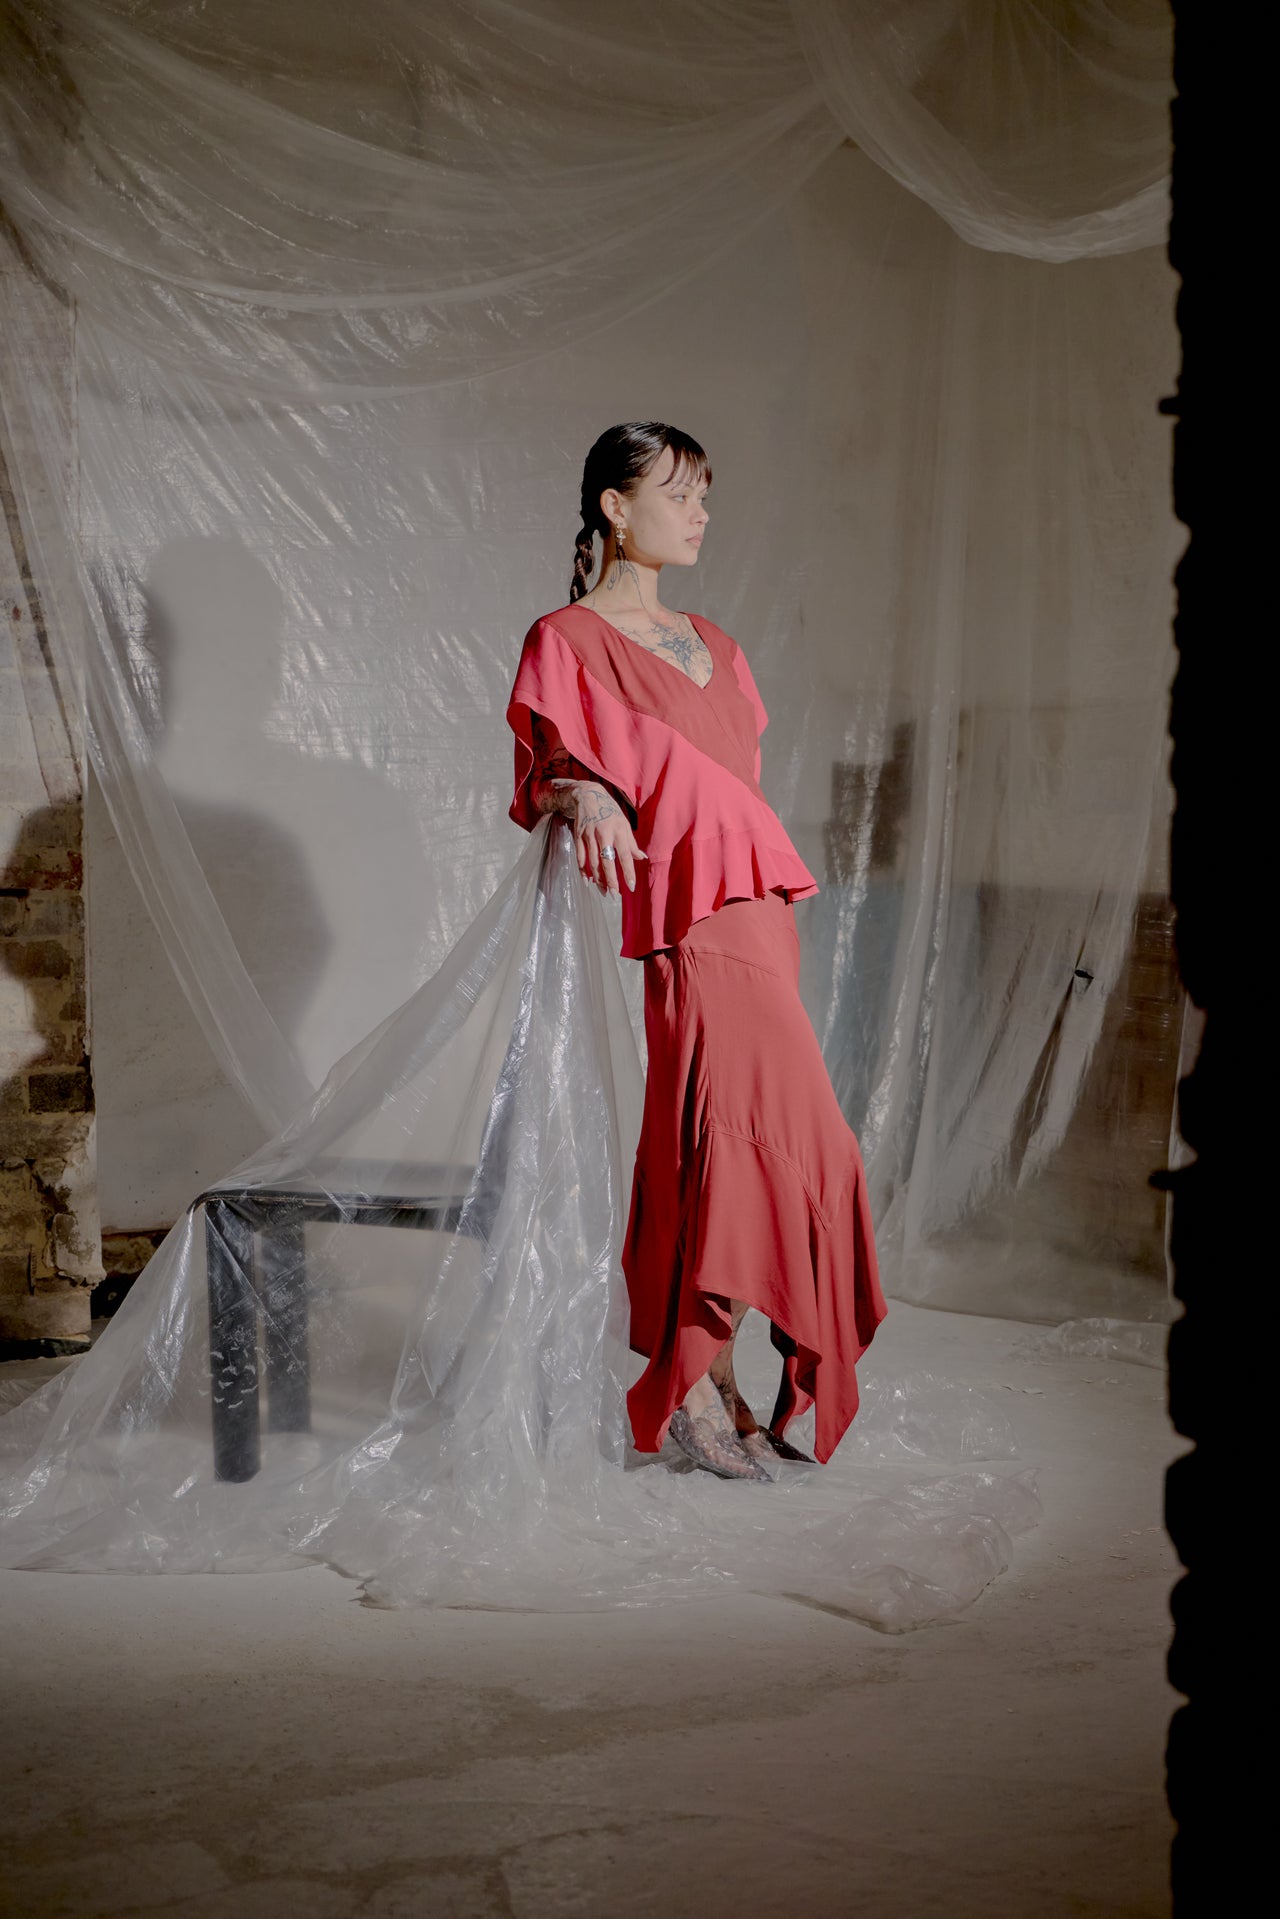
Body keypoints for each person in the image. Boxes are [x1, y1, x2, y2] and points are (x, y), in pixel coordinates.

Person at [506, 422, 885, 1482]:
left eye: (706, 495)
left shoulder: (720, 643)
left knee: (798, 1144)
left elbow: (731, 781)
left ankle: (705, 1374)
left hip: (760, 905)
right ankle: (692, 1380)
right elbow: (547, 766)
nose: (700, 513)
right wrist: (578, 788)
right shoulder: (565, 637)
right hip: (686, 916)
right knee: (711, 1136)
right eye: (677, 493)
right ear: (614, 509)